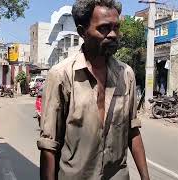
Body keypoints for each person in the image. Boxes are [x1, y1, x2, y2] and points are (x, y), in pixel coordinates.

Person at [38, 1, 150, 180]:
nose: (113, 34)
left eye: (116, 28)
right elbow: (49, 145)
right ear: (82, 32)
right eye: (104, 28)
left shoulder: (126, 74)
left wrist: (146, 178)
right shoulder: (61, 75)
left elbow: (133, 131)